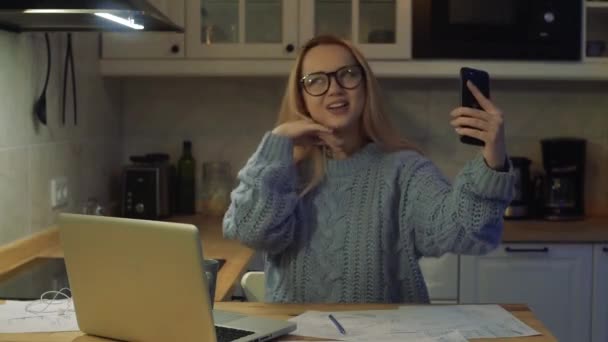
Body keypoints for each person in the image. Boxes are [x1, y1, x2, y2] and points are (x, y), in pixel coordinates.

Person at [223, 35, 515, 304]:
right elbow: (251, 233)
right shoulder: (284, 173)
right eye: (316, 80)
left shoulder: (405, 170)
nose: (334, 88)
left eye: (347, 75)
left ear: (365, 85)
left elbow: (468, 232)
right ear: (302, 96)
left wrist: (493, 158)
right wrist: (277, 145)